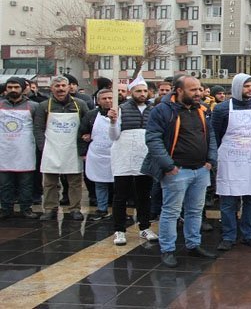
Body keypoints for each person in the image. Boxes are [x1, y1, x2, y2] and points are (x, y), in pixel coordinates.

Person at [141, 76, 218, 268]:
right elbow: (153, 139)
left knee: (195, 210)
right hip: (177, 171)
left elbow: (211, 136)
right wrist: (168, 165)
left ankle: (194, 245)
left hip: (200, 170)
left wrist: (210, 160)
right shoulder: (162, 110)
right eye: (193, 90)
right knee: (171, 212)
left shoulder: (202, 110)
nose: (198, 93)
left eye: (200, 89)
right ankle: (168, 249)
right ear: (179, 91)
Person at [212, 74, 251, 251]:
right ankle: (229, 236)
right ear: (236, 87)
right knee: (228, 200)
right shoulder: (221, 109)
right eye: (246, 86)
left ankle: (249, 234)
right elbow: (215, 133)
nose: (250, 89)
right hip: (229, 159)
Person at [108, 76, 158, 246]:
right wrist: (113, 122)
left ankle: (144, 226)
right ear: (131, 92)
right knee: (120, 196)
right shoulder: (120, 109)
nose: (142, 94)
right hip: (124, 157)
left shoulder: (154, 110)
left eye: (145, 91)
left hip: (145, 157)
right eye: (138, 91)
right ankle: (119, 230)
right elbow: (113, 136)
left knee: (144, 195)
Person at [34, 75, 88, 221]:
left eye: (63, 86)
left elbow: (86, 125)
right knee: (50, 182)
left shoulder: (80, 104)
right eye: (57, 86)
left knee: (75, 182)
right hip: (51, 148)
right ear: (52, 88)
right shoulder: (44, 106)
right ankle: (50, 209)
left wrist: (84, 142)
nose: (60, 89)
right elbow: (38, 128)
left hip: (73, 149)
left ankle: (75, 209)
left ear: (69, 87)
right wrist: (43, 147)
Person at [0, 77, 39, 219]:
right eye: (10, 87)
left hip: (25, 151)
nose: (13, 90)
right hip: (4, 151)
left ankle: (26, 208)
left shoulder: (34, 106)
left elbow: (39, 127)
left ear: (23, 88)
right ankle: (5, 209)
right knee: (4, 184)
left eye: (16, 87)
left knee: (26, 184)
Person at [79, 89, 115, 221]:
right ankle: (102, 208)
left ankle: (118, 210)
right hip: (98, 155)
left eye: (110, 98)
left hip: (116, 155)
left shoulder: (122, 113)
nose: (107, 101)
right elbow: (82, 133)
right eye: (104, 98)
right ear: (98, 101)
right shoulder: (90, 115)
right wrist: (83, 152)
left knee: (118, 184)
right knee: (100, 183)